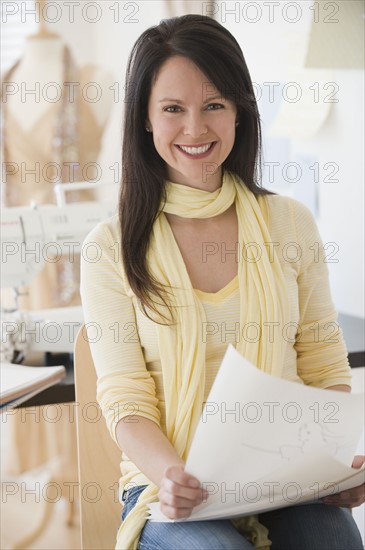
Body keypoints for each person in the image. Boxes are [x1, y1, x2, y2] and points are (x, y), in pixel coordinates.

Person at [80, 14, 364, 550]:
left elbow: (324, 364)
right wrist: (173, 477)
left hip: (283, 479)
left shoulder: (290, 222)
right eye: (172, 109)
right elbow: (126, 400)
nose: (195, 129)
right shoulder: (109, 246)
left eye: (214, 105)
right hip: (165, 487)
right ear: (144, 118)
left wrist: (332, 465)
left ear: (239, 112)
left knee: (335, 540)